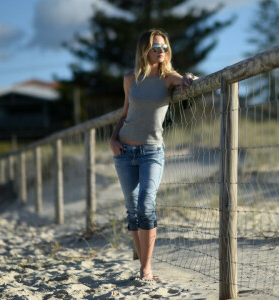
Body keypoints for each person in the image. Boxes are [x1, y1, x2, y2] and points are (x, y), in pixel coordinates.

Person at [109, 29, 196, 282]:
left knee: (146, 206)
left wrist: (189, 76)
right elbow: (125, 113)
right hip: (124, 151)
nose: (161, 52)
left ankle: (145, 269)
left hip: (151, 153)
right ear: (144, 50)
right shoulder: (130, 79)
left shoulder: (168, 78)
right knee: (133, 210)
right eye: (156, 47)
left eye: (165, 48)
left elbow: (186, 79)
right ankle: (143, 263)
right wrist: (113, 138)